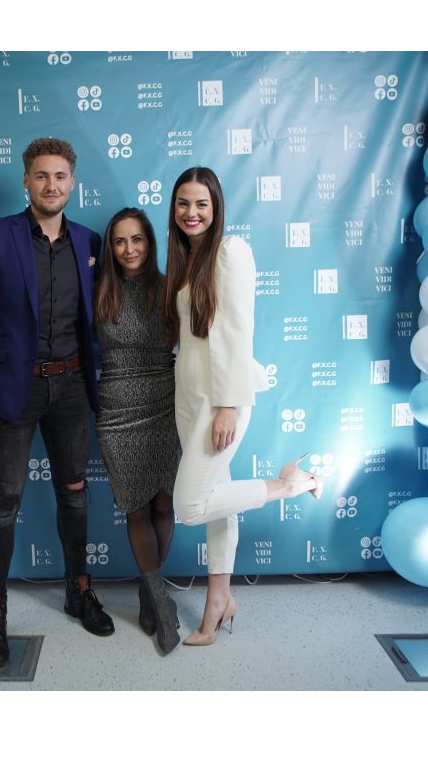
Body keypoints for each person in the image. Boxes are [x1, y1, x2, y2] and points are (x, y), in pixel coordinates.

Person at [0, 137, 114, 669]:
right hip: (11, 391)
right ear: (25, 181)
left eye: (60, 176)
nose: (52, 185)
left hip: (72, 386)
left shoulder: (89, 241)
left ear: (73, 183)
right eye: (42, 176)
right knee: (4, 502)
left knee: (74, 493)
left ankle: (78, 591)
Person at [163, 167, 323, 646]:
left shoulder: (229, 251)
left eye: (202, 204)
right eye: (183, 203)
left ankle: (292, 484)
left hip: (220, 393)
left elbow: (236, 331)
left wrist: (229, 405)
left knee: (190, 505)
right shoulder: (184, 258)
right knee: (218, 502)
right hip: (188, 388)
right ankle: (219, 601)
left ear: (216, 208)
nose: (192, 213)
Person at [95, 207, 182, 654]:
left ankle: (151, 592)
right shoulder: (97, 290)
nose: (129, 249)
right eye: (120, 241)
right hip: (117, 411)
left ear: (150, 242)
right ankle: (163, 607)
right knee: (135, 510)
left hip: (166, 404)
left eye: (137, 239)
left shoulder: (170, 289)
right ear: (110, 248)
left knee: (165, 502)